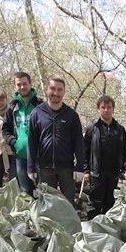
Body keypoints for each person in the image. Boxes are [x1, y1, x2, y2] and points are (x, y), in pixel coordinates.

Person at [27, 76, 86, 204]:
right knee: (48, 204)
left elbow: (78, 142)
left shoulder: (71, 115)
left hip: (67, 168)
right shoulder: (37, 113)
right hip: (45, 167)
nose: (56, 93)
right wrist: (30, 167)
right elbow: (32, 142)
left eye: (60, 90)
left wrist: (80, 166)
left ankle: (68, 224)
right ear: (46, 89)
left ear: (64, 92)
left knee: (68, 203)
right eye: (53, 89)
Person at [83, 95, 126, 218]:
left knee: (110, 202)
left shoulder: (120, 129)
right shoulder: (92, 128)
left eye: (109, 107)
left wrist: (124, 169)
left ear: (113, 109)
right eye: (103, 107)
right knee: (95, 203)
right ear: (98, 109)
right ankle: (93, 229)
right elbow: (85, 151)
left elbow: (124, 151)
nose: (106, 110)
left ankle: (108, 230)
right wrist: (86, 171)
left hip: (113, 173)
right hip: (96, 173)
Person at [2, 71, 43, 195]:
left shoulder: (40, 104)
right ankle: (29, 214)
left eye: (25, 84)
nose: (22, 87)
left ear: (30, 84)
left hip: (39, 157)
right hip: (21, 156)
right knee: (25, 191)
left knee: (42, 191)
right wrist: (14, 143)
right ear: (15, 86)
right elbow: (5, 130)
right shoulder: (12, 107)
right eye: (19, 84)